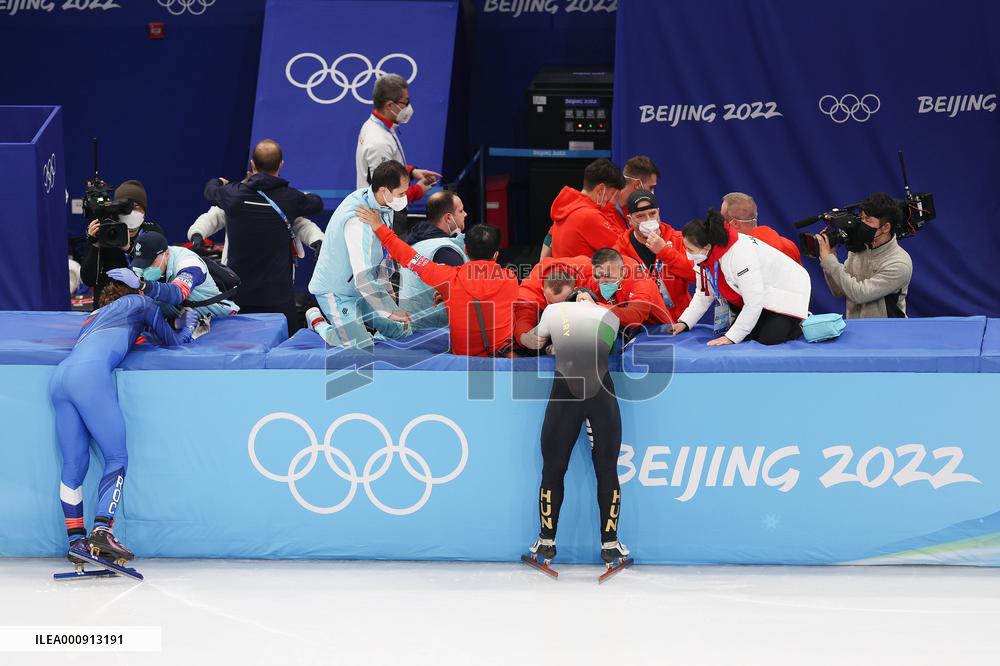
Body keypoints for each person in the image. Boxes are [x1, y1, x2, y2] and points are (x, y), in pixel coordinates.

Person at [52, 279, 197, 567]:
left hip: (60, 380)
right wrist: (188, 324)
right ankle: (102, 530)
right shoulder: (140, 302)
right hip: (90, 379)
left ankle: (76, 542)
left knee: (73, 466)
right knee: (116, 457)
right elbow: (172, 340)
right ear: (135, 292)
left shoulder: (93, 318)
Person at [520, 287, 629, 568]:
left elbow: (533, 340)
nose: (581, 296)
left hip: (566, 393)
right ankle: (610, 544)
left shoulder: (555, 310)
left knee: (554, 469)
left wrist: (538, 340)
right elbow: (604, 345)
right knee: (605, 469)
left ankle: (547, 540)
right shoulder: (608, 314)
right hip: (600, 395)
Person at [342, 208, 519, 357]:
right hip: (502, 363)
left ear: (465, 249)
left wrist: (379, 226)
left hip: (463, 365)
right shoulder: (511, 279)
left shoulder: (448, 278)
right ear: (496, 255)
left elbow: (408, 257)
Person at [204, 139, 323, 335]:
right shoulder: (291, 199)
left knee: (236, 350)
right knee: (285, 353)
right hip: (278, 300)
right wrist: (303, 197)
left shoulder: (232, 195)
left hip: (239, 296)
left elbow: (210, 191)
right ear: (281, 165)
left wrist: (218, 182)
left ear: (252, 164)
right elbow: (316, 203)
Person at [307, 160, 413, 349]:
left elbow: (381, 252)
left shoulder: (382, 205)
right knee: (361, 347)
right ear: (383, 191)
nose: (405, 198)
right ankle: (318, 322)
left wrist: (387, 291)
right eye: (401, 193)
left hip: (363, 289)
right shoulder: (359, 220)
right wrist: (388, 311)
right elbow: (362, 276)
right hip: (337, 292)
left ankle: (362, 323)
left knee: (403, 330)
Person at [669, 210, 811, 345]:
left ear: (706, 247)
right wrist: (684, 322)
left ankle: (801, 319)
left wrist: (730, 338)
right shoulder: (705, 257)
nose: (687, 254)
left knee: (769, 338)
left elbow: (754, 301)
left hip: (790, 291)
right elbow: (703, 293)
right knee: (746, 334)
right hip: (762, 294)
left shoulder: (741, 254)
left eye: (690, 250)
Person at [355, 73, 441, 231]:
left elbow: (388, 171)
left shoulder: (378, 126)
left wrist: (412, 172)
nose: (408, 107)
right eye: (405, 102)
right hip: (384, 221)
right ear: (390, 105)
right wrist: (418, 190)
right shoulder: (379, 141)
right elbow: (385, 195)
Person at [541, 155, 659, 260]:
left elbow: (549, 241)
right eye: (651, 188)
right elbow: (626, 251)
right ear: (601, 189)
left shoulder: (570, 206)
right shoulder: (589, 215)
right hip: (584, 281)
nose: (613, 196)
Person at [818, 192, 913, 318]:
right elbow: (838, 291)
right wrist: (830, 255)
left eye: (868, 220)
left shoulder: (899, 263)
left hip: (888, 332)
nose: (862, 224)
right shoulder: (859, 249)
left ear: (885, 227)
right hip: (856, 329)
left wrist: (829, 261)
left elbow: (859, 294)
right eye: (861, 218)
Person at [106, 231, 239, 320]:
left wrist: (143, 285)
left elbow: (178, 293)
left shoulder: (189, 263)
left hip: (221, 319)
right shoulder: (142, 265)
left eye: (151, 262)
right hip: (185, 320)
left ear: (166, 254)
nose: (146, 267)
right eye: (143, 262)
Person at [612, 190, 694, 322]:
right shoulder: (620, 251)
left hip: (681, 322)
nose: (648, 220)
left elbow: (698, 276)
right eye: (641, 216)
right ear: (630, 220)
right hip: (644, 326)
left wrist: (665, 252)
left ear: (658, 213)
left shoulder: (679, 239)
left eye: (652, 214)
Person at [80, 180, 163, 307]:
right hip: (108, 307)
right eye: (126, 208)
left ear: (145, 211)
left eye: (137, 207)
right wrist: (94, 244)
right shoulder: (105, 232)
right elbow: (89, 279)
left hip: (144, 307)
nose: (131, 212)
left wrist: (130, 250)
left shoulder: (152, 232)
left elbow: (159, 275)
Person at [398, 191, 469, 329]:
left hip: (412, 331)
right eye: (461, 211)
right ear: (448, 218)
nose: (465, 214)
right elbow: (463, 299)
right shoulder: (444, 250)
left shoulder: (413, 243)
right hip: (436, 336)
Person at [187, 205, 324, 266]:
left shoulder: (284, 199)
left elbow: (301, 224)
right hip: (236, 278)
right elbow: (213, 217)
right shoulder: (235, 197)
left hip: (276, 284)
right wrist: (197, 233)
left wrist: (318, 240)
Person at [547, 159, 625, 259]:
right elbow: (623, 250)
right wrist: (609, 211)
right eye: (614, 194)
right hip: (581, 273)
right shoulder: (589, 216)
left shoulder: (568, 207)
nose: (615, 201)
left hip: (565, 272)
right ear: (601, 189)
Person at [513, 256, 592, 347]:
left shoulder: (591, 276)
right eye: (551, 303)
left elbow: (610, 306)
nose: (557, 308)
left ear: (575, 289)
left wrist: (594, 306)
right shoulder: (532, 287)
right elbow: (522, 316)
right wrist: (524, 337)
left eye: (562, 302)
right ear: (543, 291)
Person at [720, 192, 801, 264]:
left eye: (723, 219)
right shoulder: (790, 246)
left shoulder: (735, 254)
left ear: (735, 223)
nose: (721, 224)